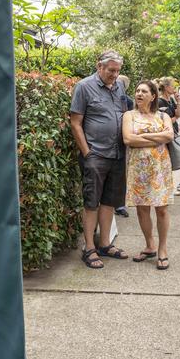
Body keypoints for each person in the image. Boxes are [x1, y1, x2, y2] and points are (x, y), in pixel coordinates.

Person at [70, 50, 130, 269]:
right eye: (111, 70)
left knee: (109, 202)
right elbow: (76, 122)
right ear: (99, 66)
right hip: (95, 155)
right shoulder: (84, 87)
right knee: (91, 202)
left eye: (117, 71)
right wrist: (87, 153)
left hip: (117, 154)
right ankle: (89, 248)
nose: (114, 75)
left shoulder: (120, 87)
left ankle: (104, 244)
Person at [122, 80, 175, 270]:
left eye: (144, 91)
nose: (139, 94)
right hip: (139, 169)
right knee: (142, 208)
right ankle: (149, 245)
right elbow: (128, 139)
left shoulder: (163, 115)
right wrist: (156, 137)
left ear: (153, 96)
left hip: (160, 168)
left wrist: (142, 137)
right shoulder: (129, 115)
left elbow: (169, 136)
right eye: (137, 91)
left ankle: (162, 249)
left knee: (161, 209)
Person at [114, 74, 134, 218]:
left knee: (121, 173)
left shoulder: (128, 101)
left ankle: (120, 204)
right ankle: (118, 205)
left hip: (122, 141)